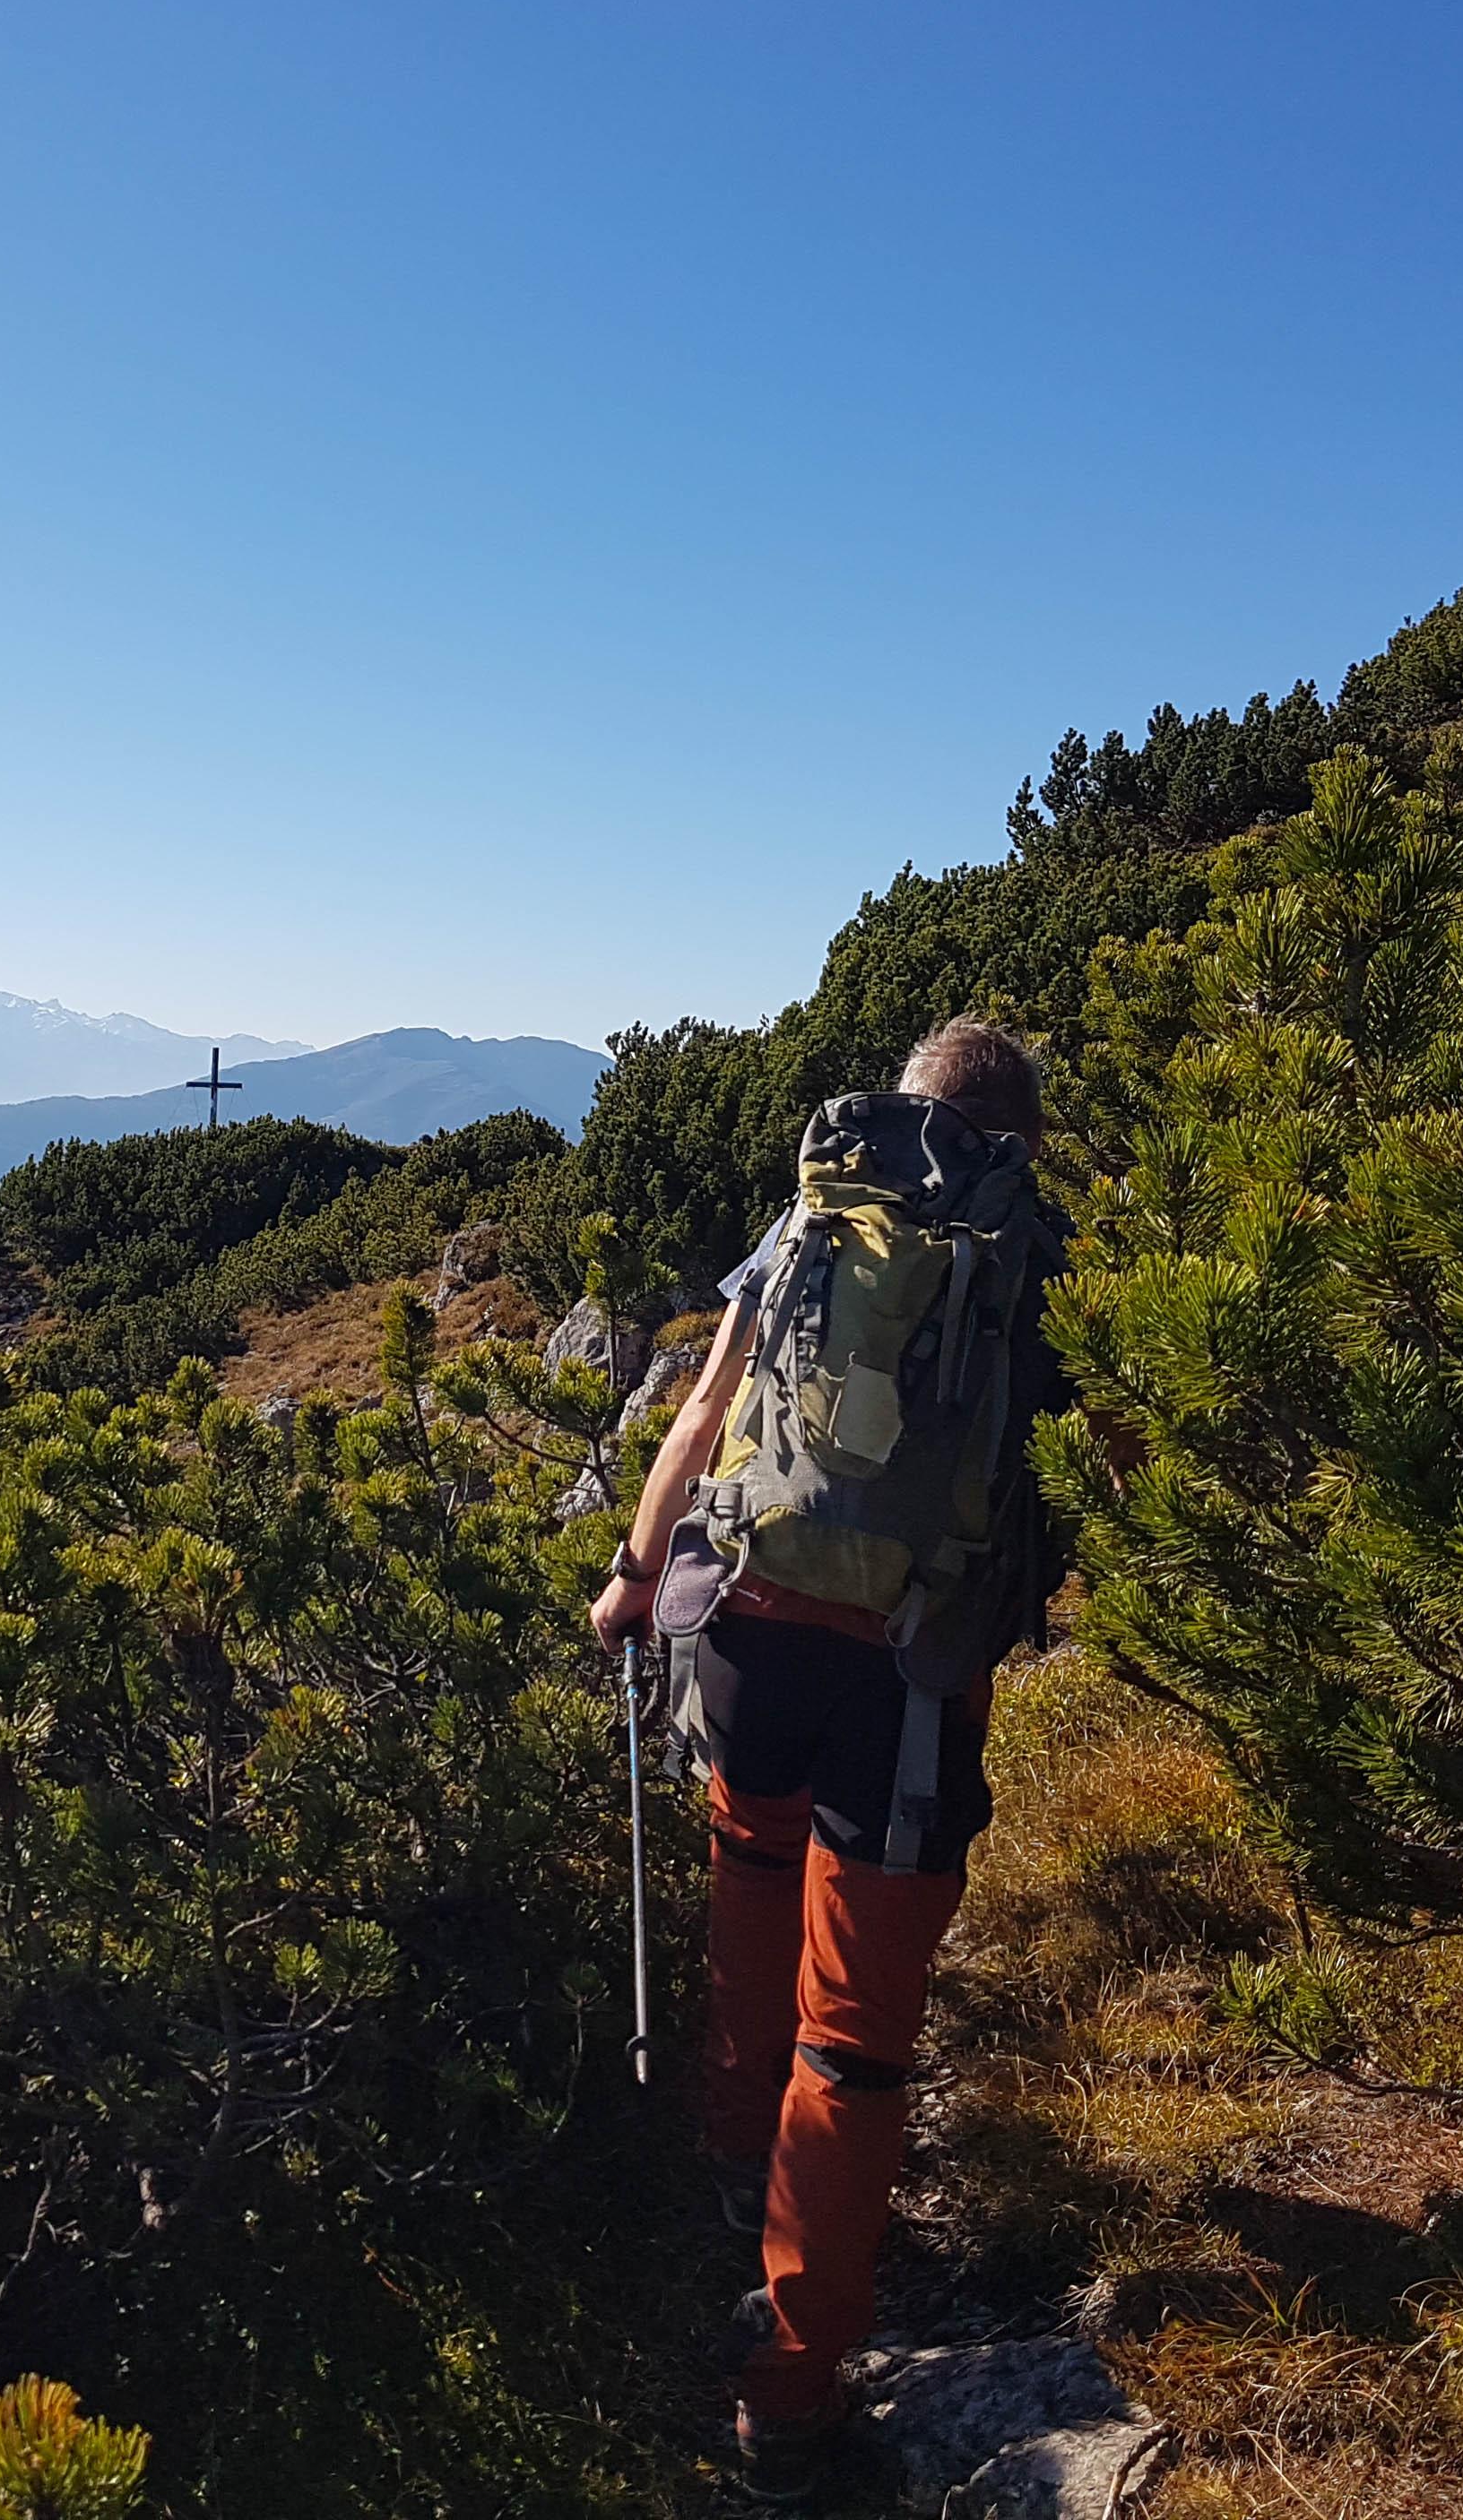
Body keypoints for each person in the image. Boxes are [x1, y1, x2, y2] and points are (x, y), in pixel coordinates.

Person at [591, 1017, 1070, 2504]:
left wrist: (630, 1567)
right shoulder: (1032, 1249)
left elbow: (712, 1400)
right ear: (1020, 1136)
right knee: (855, 2040)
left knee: (748, 1870)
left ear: (904, 1103)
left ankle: (739, 2169)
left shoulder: (819, 1205)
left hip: (746, 1625)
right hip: (908, 1673)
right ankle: (789, 2391)